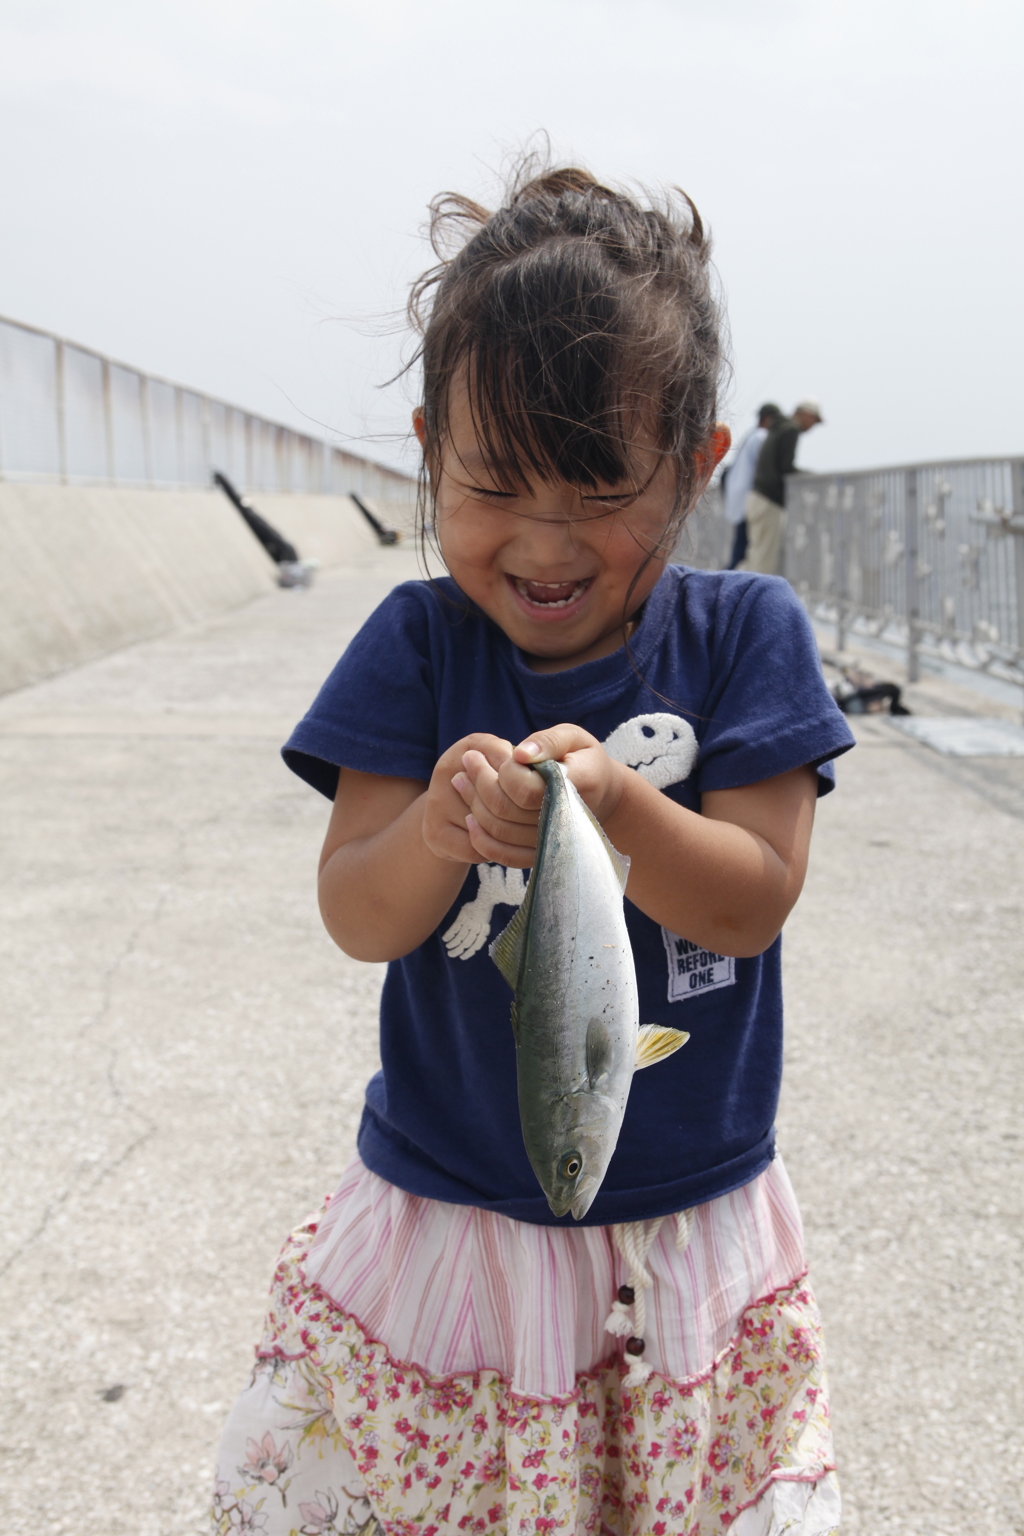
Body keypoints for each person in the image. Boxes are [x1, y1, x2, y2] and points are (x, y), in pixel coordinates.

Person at [210, 167, 854, 1536]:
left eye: (601, 492)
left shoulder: (749, 637)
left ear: (698, 464)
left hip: (687, 1223)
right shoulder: (415, 644)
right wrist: (439, 828)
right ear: (428, 444)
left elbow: (753, 900)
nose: (547, 543)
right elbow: (357, 910)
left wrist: (617, 809)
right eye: (495, 485)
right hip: (451, 1214)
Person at [740, 401, 823, 576]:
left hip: (756, 497)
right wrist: (808, 475)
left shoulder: (778, 426)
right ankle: (757, 601)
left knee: (755, 554)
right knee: (764, 561)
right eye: (814, 420)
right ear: (806, 414)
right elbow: (786, 468)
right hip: (770, 500)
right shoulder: (791, 430)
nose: (812, 426)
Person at [720, 402, 783, 569]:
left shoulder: (751, 435)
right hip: (749, 498)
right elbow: (764, 468)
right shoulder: (761, 437)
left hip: (738, 497)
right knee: (742, 549)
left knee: (741, 546)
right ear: (768, 419)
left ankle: (729, 577)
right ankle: (729, 581)